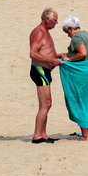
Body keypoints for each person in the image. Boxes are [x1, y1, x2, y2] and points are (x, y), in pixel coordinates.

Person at [59, 15, 88, 140]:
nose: (68, 35)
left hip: (84, 74)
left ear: (71, 28)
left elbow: (83, 53)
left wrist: (69, 60)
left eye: (67, 32)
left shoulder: (76, 37)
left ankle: (84, 135)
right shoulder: (87, 34)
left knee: (80, 100)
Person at [29, 8, 63, 143]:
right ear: (47, 19)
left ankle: (43, 134)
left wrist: (58, 56)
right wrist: (51, 61)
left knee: (47, 104)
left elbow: (45, 50)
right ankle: (37, 135)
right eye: (55, 20)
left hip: (45, 70)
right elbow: (33, 53)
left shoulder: (46, 32)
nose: (56, 23)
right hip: (39, 70)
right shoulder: (39, 32)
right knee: (45, 104)